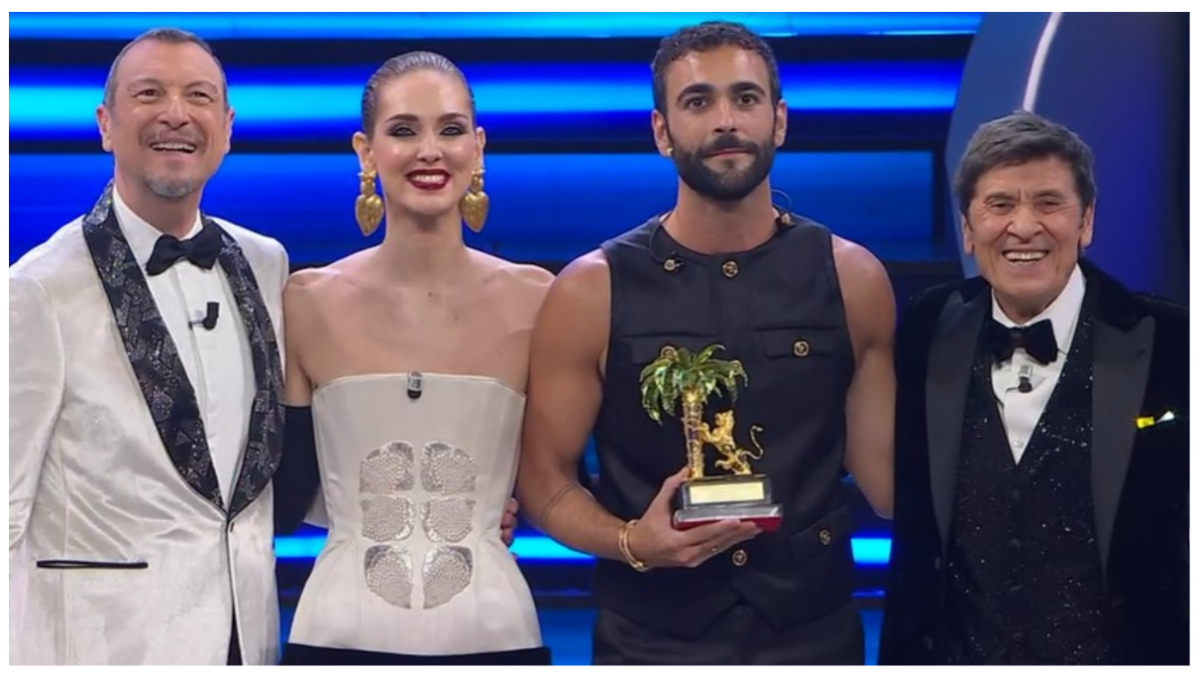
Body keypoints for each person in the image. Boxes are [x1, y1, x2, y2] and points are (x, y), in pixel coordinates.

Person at [516, 21, 895, 665]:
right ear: (661, 131)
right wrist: (633, 541)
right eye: (698, 102)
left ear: (779, 120)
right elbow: (544, 483)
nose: (725, 120)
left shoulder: (853, 279)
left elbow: (888, 485)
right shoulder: (591, 289)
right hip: (648, 640)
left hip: (813, 636)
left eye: (745, 98)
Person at [9, 28, 288, 665]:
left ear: (227, 127)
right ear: (105, 124)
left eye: (199, 96)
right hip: (98, 649)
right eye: (150, 94)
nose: (176, 114)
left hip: (248, 641)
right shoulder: (37, 289)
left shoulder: (265, 263)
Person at [272, 51, 554, 665]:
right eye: (403, 130)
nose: (430, 151)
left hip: (496, 634)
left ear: (478, 148)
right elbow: (289, 498)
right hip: (335, 636)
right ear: (365, 152)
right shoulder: (305, 300)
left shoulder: (538, 299)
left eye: (450, 130)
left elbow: (558, 480)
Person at [879, 111, 1189, 665]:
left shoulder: (1173, 341)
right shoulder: (927, 327)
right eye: (1000, 205)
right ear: (968, 229)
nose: (1023, 227)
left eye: (1048, 203)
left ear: (1086, 221)